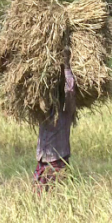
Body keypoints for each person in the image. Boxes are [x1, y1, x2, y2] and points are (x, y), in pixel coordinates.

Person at [34, 47, 76, 192]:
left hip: (58, 162)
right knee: (38, 202)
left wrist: (66, 64)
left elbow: (70, 90)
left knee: (58, 199)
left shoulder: (66, 111)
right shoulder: (42, 112)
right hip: (42, 162)